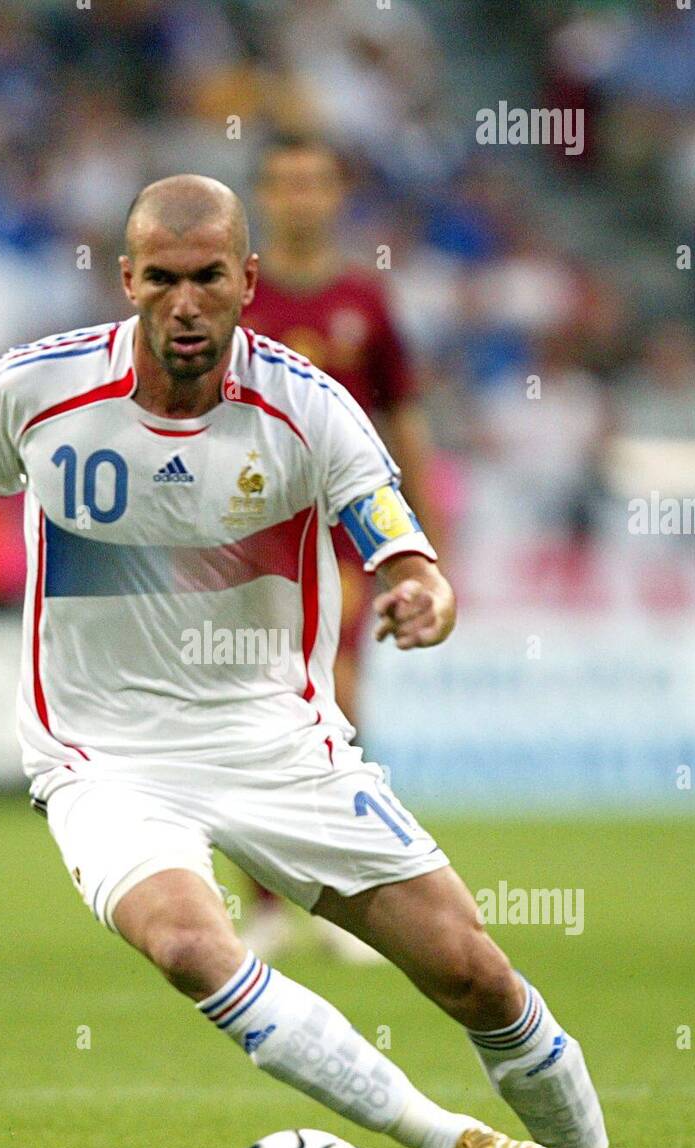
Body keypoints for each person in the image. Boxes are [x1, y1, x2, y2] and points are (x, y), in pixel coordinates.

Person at [0, 175, 692, 1148]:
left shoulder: (310, 404)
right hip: (105, 755)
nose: (186, 303)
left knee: (473, 971)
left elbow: (398, 535)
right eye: (163, 279)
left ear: (248, 281)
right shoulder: (36, 388)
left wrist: (423, 586)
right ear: (128, 281)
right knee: (193, 945)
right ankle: (453, 1145)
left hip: (275, 743)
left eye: (209, 279)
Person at [241, 133, 443, 961]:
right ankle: (264, 902)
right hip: (244, 541)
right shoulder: (232, 300)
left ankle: (350, 895)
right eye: (283, 183)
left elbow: (403, 422)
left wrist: (424, 544)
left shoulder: (363, 300)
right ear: (263, 195)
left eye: (314, 183)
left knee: (338, 702)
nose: (299, 198)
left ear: (334, 195)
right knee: (255, 711)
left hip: (340, 542)